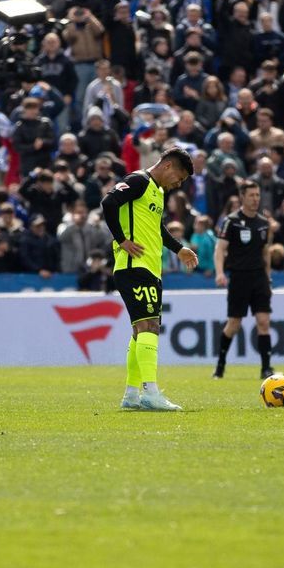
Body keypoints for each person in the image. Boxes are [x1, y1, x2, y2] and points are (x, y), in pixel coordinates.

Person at [100, 146, 198, 412]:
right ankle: (151, 392)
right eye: (179, 178)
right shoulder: (138, 180)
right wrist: (122, 240)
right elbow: (108, 203)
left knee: (139, 331)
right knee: (150, 327)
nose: (178, 184)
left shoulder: (157, 190)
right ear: (167, 165)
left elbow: (157, 229)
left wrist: (179, 248)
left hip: (149, 267)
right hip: (135, 266)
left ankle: (132, 394)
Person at [212, 179, 275, 380]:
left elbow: (266, 254)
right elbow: (220, 249)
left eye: (257, 195)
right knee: (234, 324)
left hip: (259, 278)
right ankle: (220, 365)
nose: (256, 199)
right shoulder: (231, 221)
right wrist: (220, 272)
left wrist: (268, 278)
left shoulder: (264, 224)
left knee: (263, 321)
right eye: (251, 195)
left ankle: (266, 368)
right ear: (242, 197)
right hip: (239, 277)